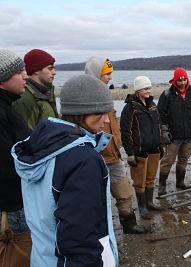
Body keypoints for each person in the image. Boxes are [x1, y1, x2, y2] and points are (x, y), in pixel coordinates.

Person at [12, 75, 118, 266]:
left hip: (43, 257)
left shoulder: (42, 147)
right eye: (99, 113)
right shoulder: (83, 159)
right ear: (80, 113)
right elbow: (79, 239)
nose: (106, 120)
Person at [85, 56, 147, 234]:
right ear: (97, 73)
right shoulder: (85, 97)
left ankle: (129, 224)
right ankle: (98, 230)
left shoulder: (105, 93)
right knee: (96, 198)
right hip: (96, 158)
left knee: (124, 191)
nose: (110, 77)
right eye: (107, 74)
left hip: (114, 155)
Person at [120, 76, 164, 219]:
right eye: (145, 88)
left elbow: (158, 125)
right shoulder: (130, 108)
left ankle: (150, 202)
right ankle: (142, 207)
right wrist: (130, 153)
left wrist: (160, 144)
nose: (148, 91)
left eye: (149, 88)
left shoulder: (153, 105)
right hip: (139, 151)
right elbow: (125, 131)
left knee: (150, 178)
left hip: (154, 149)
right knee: (139, 182)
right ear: (138, 90)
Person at [157, 68, 191, 196]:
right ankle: (162, 186)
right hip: (173, 136)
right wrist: (164, 131)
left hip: (189, 136)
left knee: (183, 160)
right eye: (179, 80)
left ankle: (180, 182)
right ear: (175, 80)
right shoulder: (167, 94)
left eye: (184, 79)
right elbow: (161, 114)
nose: (182, 82)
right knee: (168, 161)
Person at [0, 50, 30, 233]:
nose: (26, 76)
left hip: (17, 198)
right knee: (18, 254)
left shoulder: (9, 107)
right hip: (11, 204)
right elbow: (8, 164)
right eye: (19, 72)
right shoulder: (2, 112)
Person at [13, 49, 58, 129]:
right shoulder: (25, 99)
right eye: (50, 68)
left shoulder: (46, 92)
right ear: (36, 70)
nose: (54, 72)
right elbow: (25, 136)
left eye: (54, 68)